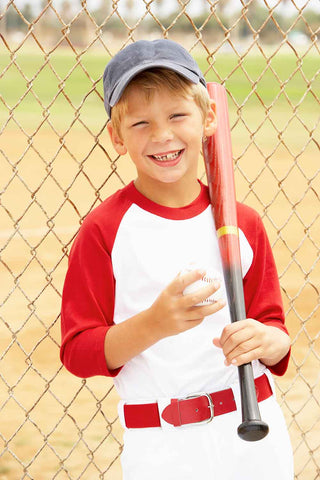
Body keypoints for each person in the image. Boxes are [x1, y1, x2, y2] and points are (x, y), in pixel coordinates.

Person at [60, 39, 293, 479]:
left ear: (209, 119)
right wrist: (154, 324)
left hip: (255, 430)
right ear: (116, 136)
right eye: (141, 122)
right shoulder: (104, 230)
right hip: (162, 444)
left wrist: (268, 340)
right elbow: (77, 350)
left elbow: (275, 330)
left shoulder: (242, 223)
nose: (162, 135)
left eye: (177, 115)